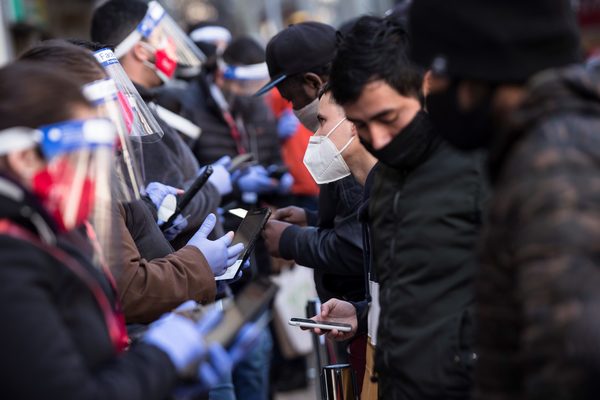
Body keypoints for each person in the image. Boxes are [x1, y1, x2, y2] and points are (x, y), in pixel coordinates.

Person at [0, 61, 251, 399]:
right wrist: (160, 359)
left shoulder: (38, 231)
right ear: (24, 158)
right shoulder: (11, 259)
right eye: (81, 158)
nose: (94, 175)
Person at [409, 1, 600, 399]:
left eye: (439, 72)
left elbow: (575, 356)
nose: (430, 91)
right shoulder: (546, 144)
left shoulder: (553, 165)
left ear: (480, 74)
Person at [313, 15, 488, 399]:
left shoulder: (483, 166)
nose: (378, 138)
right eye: (360, 125)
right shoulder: (386, 177)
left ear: (425, 85)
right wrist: (363, 315)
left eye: (388, 118)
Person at [19, 40, 243, 324]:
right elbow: (129, 291)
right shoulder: (79, 184)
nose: (124, 107)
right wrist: (199, 264)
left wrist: (149, 209)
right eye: (108, 99)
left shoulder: (93, 172)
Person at [91, 0, 225, 247]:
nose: (172, 45)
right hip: (183, 272)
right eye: (163, 36)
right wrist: (214, 188)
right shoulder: (130, 117)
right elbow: (167, 212)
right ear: (142, 51)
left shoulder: (145, 104)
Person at [259, 21, 366, 305]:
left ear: (314, 83)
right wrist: (315, 219)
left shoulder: (346, 141)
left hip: (359, 307)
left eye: (291, 99)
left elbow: (359, 248)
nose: (294, 110)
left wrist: (292, 240)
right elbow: (362, 222)